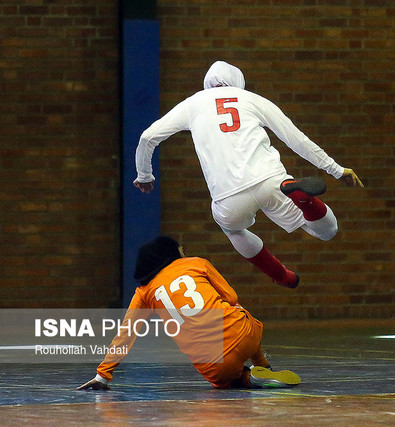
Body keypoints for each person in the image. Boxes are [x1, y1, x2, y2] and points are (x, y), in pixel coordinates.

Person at [133, 60, 363, 289]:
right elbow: (296, 139)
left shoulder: (192, 104)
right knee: (327, 231)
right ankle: (303, 198)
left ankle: (282, 276)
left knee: (233, 229)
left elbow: (147, 138)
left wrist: (145, 176)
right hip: (271, 180)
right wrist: (336, 169)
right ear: (238, 82)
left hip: (228, 198)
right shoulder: (253, 99)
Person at [77, 236, 300, 390]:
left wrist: (103, 375)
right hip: (247, 336)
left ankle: (249, 378)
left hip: (217, 365)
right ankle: (262, 366)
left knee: (222, 382)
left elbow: (126, 334)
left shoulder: (143, 292)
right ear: (171, 254)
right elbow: (231, 297)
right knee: (233, 309)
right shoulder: (197, 263)